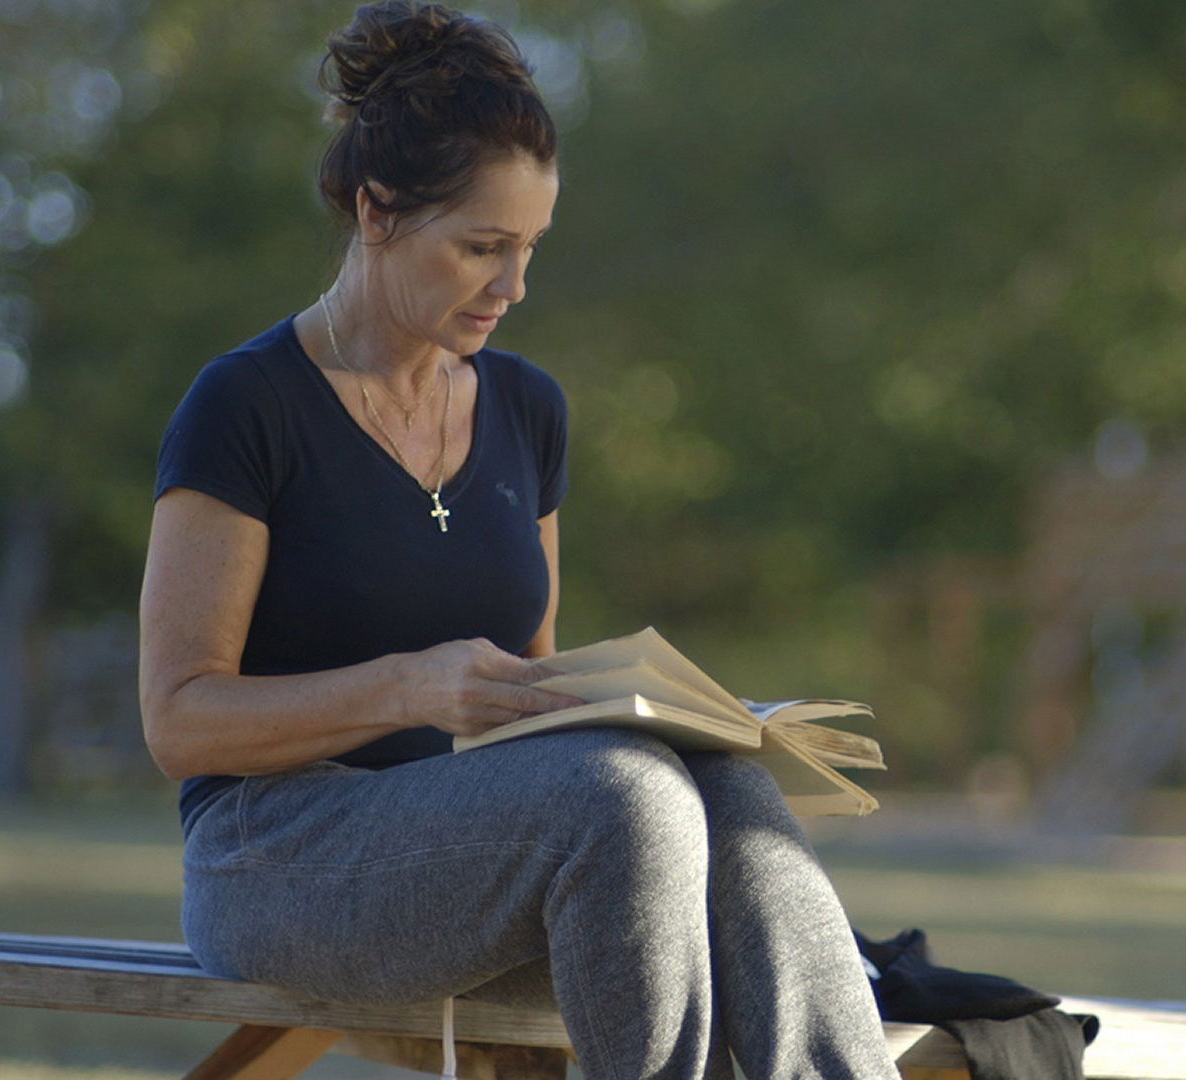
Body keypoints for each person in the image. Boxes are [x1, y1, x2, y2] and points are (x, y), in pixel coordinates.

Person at [136, 3, 901, 1077]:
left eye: (530, 248)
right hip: (274, 853)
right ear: (377, 212)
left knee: (730, 791)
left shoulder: (528, 409)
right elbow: (179, 721)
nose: (514, 286)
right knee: (624, 799)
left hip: (490, 855)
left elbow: (537, 697)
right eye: (483, 248)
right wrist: (408, 686)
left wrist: (654, 712)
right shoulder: (246, 405)